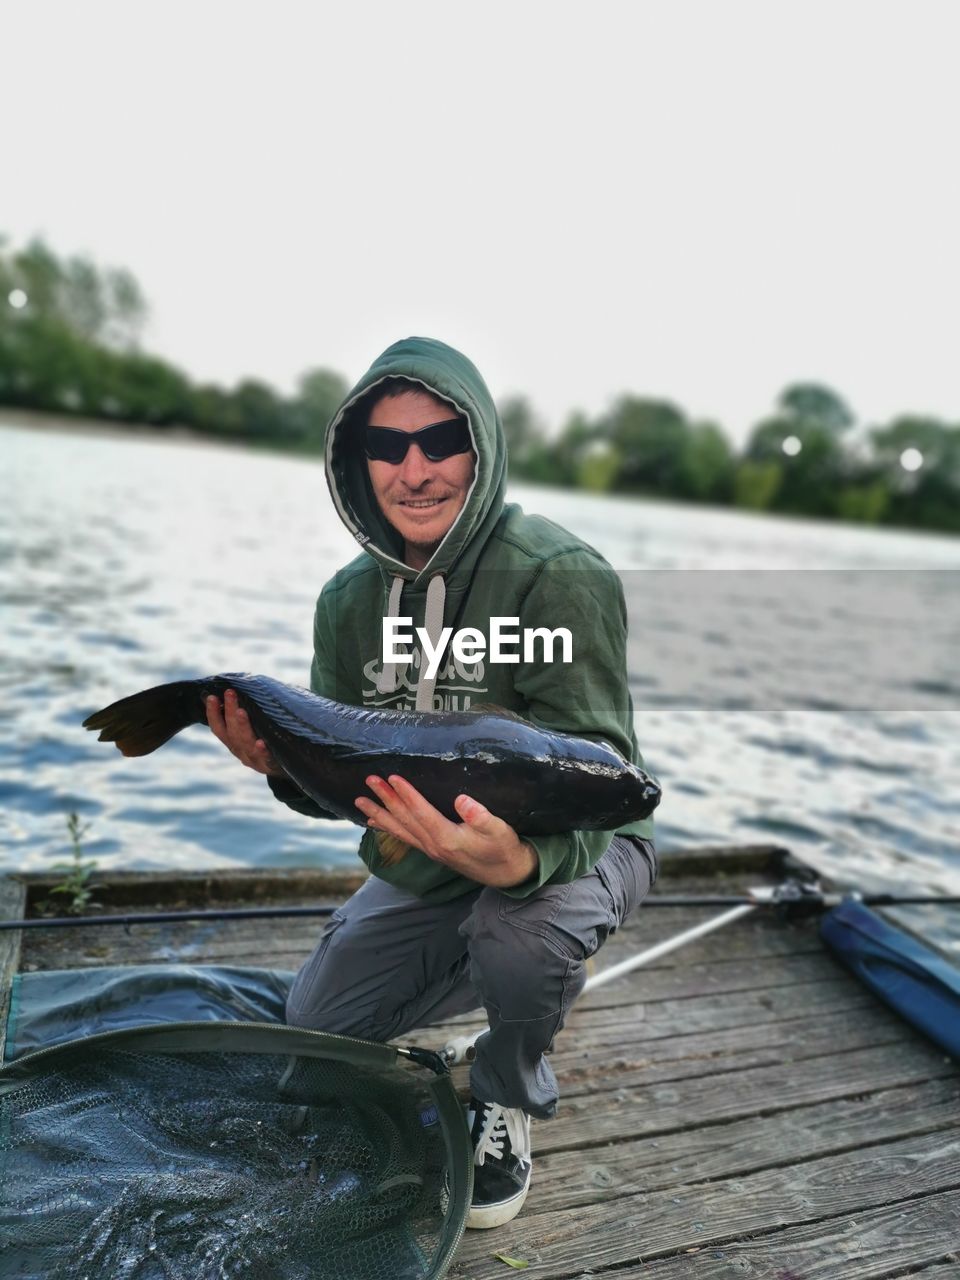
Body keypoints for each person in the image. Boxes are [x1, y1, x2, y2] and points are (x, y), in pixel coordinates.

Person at [206, 336, 657, 1229]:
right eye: (385, 446)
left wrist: (524, 860)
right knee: (317, 1032)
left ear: (480, 446)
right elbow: (338, 784)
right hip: (422, 860)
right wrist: (280, 768)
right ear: (356, 461)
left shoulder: (560, 577)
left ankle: (507, 1086)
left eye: (440, 440)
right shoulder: (346, 603)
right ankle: (493, 961)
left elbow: (608, 779)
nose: (413, 470)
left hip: (582, 847)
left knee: (523, 936)